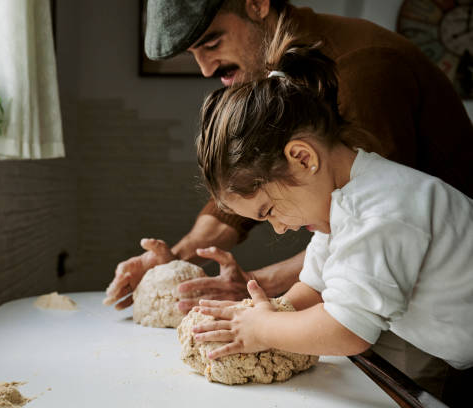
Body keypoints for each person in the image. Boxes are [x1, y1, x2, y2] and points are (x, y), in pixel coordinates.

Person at [103, 0, 473, 314]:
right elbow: (253, 183)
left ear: (257, 3)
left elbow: (358, 232)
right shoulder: (279, 73)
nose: (206, 69)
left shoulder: (363, 71)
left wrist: (251, 288)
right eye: (193, 54)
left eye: (212, 42)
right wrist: (177, 262)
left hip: (443, 303)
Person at [192, 25, 473, 407]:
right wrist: (268, 310)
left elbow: (347, 331)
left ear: (303, 158)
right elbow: (315, 287)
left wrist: (264, 329)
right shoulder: (342, 202)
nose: (279, 226)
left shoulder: (381, 211)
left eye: (270, 210)